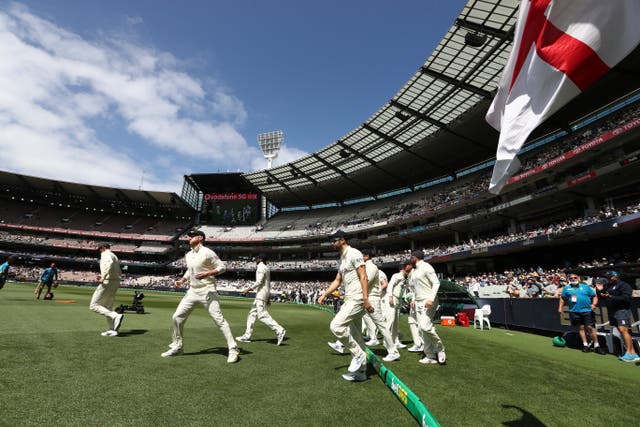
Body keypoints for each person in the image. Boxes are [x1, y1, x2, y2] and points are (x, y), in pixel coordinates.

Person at [161, 229, 240, 363]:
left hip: (207, 291)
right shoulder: (188, 254)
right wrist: (182, 280)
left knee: (219, 320)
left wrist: (208, 273)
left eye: (192, 236)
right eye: (189, 236)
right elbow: (190, 270)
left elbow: (222, 267)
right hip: (192, 291)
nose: (189, 238)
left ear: (201, 238)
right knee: (177, 317)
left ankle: (233, 349)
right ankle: (178, 346)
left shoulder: (208, 253)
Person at [318, 230, 374, 382]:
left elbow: (364, 276)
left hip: (357, 298)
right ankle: (361, 373)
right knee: (356, 336)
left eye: (333, 240)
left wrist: (365, 298)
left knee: (336, 326)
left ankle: (358, 355)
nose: (332, 243)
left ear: (342, 240)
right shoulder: (342, 259)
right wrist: (324, 294)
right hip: (349, 298)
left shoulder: (355, 253)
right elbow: (337, 280)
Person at [236, 254, 286, 345]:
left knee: (262, 315)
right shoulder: (266, 267)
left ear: (260, 259)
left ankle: (279, 330)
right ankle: (247, 336)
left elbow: (259, 281)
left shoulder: (261, 267)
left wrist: (248, 289)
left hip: (261, 294)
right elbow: (267, 283)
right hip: (262, 294)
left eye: (257, 259)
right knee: (251, 314)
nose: (256, 260)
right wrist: (268, 296)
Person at [359, 250, 400, 362]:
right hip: (366, 298)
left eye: (362, 256)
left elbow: (366, 282)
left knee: (381, 325)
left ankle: (393, 351)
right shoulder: (365, 267)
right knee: (354, 320)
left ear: (366, 256)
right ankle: (344, 344)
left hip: (372, 299)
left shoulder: (372, 267)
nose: (360, 258)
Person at [409, 250, 446, 365]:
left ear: (415, 258)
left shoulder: (426, 267)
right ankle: (430, 355)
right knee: (422, 329)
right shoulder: (414, 271)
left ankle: (440, 349)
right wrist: (414, 299)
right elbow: (415, 288)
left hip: (428, 301)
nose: (410, 259)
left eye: (411, 257)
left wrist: (430, 299)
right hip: (419, 302)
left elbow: (436, 283)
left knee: (425, 327)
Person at [596, 271, 638, 362]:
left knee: (623, 330)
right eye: (607, 277)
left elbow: (626, 298)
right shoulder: (607, 285)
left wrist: (611, 297)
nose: (608, 278)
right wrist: (600, 291)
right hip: (612, 311)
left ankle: (630, 354)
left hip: (622, 310)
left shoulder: (624, 285)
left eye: (610, 277)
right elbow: (602, 296)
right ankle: (632, 353)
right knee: (621, 331)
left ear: (616, 276)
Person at [558, 274, 604, 354]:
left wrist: (593, 305)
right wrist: (560, 307)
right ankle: (585, 345)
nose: (573, 279)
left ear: (579, 278)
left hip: (587, 310)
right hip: (574, 311)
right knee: (581, 328)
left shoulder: (586, 287)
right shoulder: (566, 288)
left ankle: (597, 346)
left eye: (575, 278)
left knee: (590, 327)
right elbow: (562, 298)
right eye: (571, 278)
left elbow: (594, 296)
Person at [89, 243, 124, 337]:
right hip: (115, 282)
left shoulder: (105, 254)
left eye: (99, 249)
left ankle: (115, 315)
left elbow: (109, 263)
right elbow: (117, 269)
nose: (99, 251)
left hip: (108, 282)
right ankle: (112, 330)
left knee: (94, 305)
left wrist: (103, 277)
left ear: (103, 248)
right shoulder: (114, 255)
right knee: (108, 307)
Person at [386, 260, 413, 349]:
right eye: (409, 267)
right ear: (404, 268)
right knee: (390, 321)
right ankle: (387, 342)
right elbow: (390, 286)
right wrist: (390, 297)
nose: (410, 269)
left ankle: (396, 341)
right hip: (392, 298)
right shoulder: (397, 275)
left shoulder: (406, 278)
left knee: (396, 322)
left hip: (398, 300)